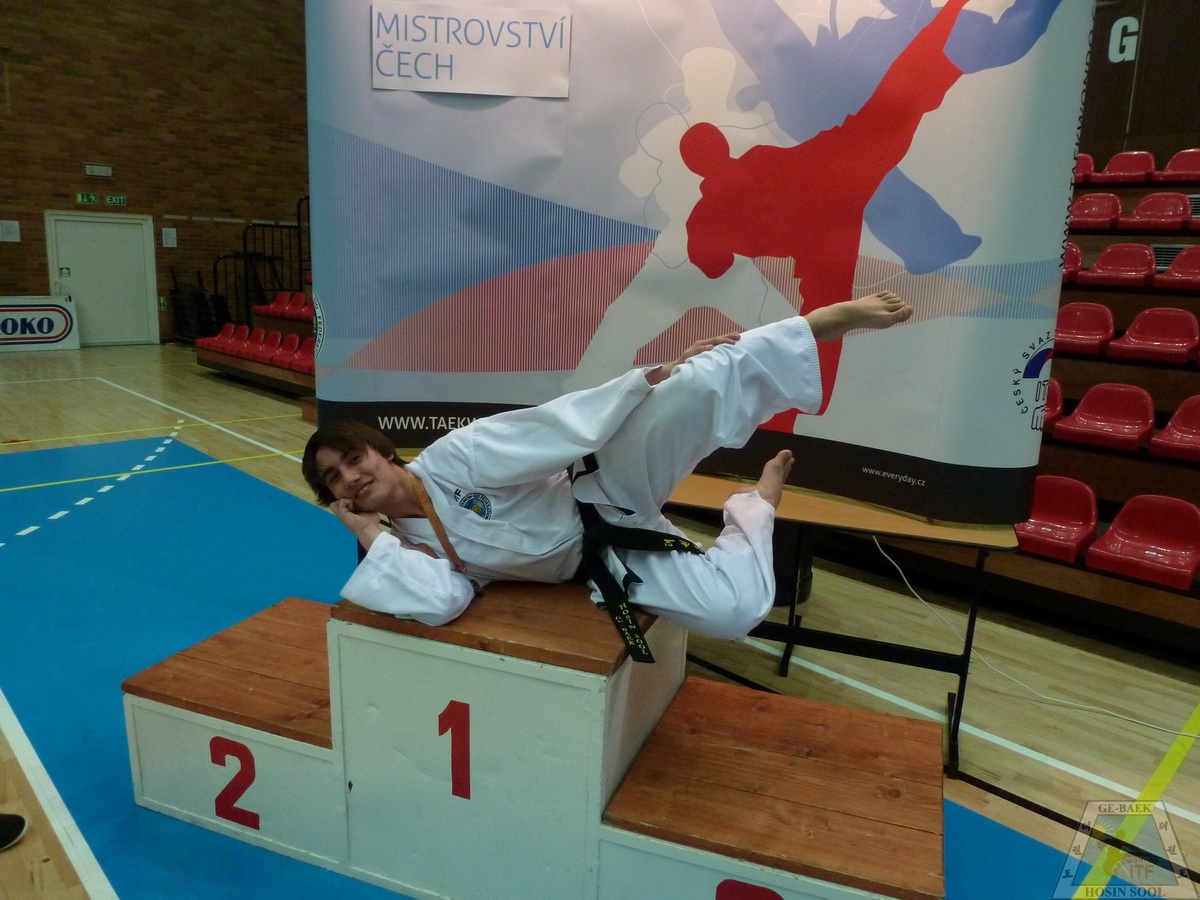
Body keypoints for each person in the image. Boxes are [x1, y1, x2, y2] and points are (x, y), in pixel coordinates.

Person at [303, 292, 912, 656]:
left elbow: (555, 430)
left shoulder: (451, 459)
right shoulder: (407, 547)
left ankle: (815, 326)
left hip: (601, 491)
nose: (350, 477)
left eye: (353, 459)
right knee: (736, 613)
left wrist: (653, 378)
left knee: (688, 387)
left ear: (382, 452)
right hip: (604, 560)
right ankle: (754, 506)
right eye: (334, 479)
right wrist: (370, 534)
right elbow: (445, 601)